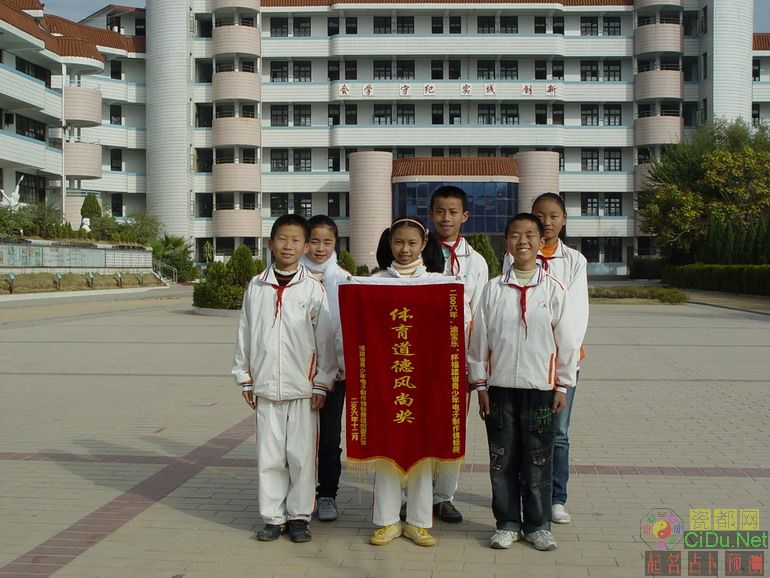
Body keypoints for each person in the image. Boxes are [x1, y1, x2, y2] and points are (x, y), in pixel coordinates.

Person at [468, 213, 579, 551]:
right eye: (515, 235)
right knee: (502, 460)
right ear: (506, 243)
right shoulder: (493, 290)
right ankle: (507, 524)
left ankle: (538, 525)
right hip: (500, 390)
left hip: (541, 391)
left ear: (541, 242)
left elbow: (567, 341)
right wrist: (480, 385)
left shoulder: (554, 289)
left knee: (538, 459)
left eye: (530, 234)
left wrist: (562, 385)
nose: (523, 241)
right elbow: (479, 340)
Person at [232, 214, 337, 543]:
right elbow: (245, 333)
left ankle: (299, 516)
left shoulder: (313, 288)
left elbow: (325, 340)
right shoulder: (256, 286)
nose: (288, 246)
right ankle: (273, 517)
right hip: (266, 387)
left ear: (305, 247)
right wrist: (245, 377)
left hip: (303, 390)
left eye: (295, 240)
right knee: (270, 457)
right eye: (282, 239)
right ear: (270, 244)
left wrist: (322, 381)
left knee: (301, 457)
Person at [369, 216, 445, 547]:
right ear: (389, 243)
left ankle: (418, 522)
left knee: (422, 452)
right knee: (386, 449)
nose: (405, 249)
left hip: (424, 382)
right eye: (399, 242)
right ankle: (387, 521)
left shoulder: (439, 283)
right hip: (387, 380)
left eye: (412, 243)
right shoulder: (374, 282)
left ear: (424, 244)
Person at [427, 185, 488, 523]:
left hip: (456, 359)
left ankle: (444, 496)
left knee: (452, 428)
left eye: (452, 212)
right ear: (430, 214)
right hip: (421, 356)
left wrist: (475, 368)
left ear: (464, 215)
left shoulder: (476, 262)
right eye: (440, 211)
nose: (446, 218)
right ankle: (416, 494)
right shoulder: (417, 251)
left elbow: (478, 315)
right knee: (420, 426)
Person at [529, 193, 589, 525]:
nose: (547, 222)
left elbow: (576, 313)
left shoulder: (575, 260)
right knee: (530, 430)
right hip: (531, 359)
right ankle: (530, 494)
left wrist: (566, 357)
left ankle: (556, 498)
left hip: (564, 359)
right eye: (540, 216)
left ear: (564, 219)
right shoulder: (519, 254)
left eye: (553, 216)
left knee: (559, 432)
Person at [299, 215, 350, 522]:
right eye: (314, 241)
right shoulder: (291, 276)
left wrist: (342, 367)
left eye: (327, 242)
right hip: (298, 374)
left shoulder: (344, 280)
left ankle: (327, 493)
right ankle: (299, 494)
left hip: (335, 375)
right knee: (298, 439)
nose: (320, 248)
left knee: (330, 438)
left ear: (336, 244)